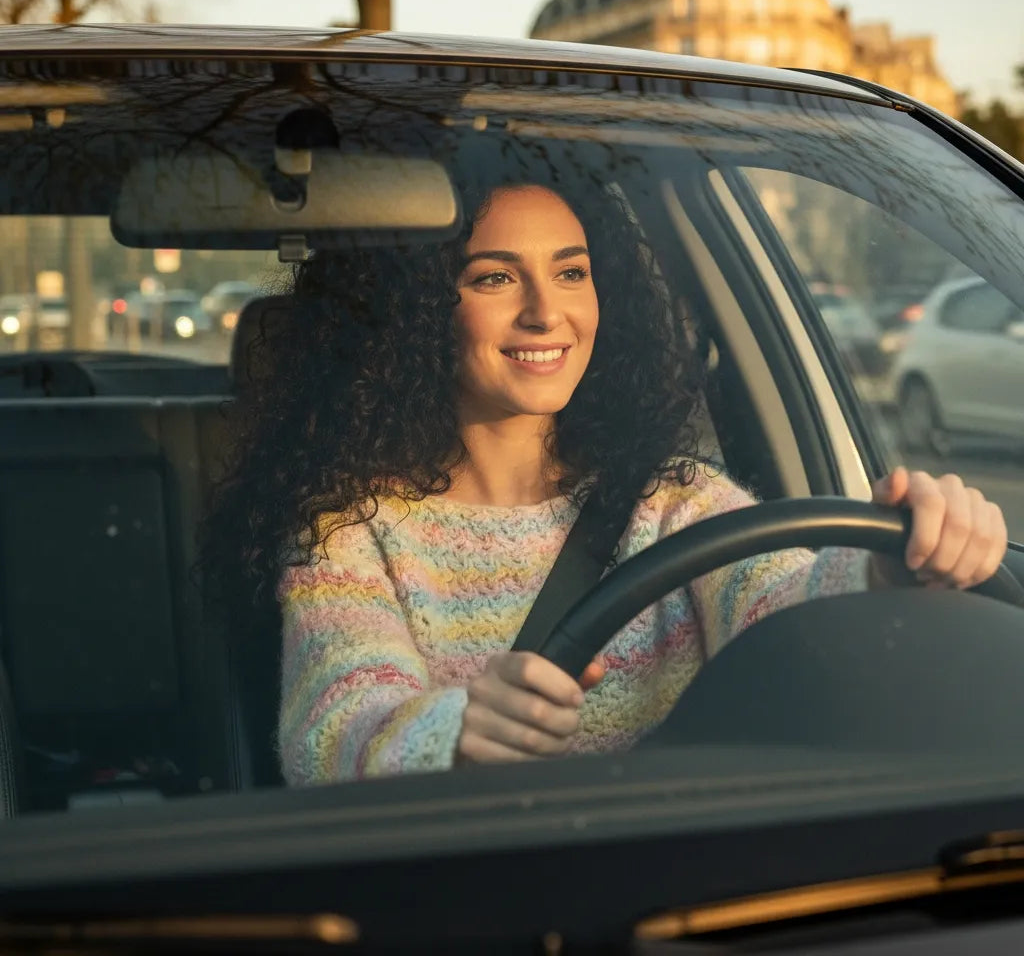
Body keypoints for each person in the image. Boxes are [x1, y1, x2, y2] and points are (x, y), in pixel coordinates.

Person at [203, 174, 1008, 785]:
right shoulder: (347, 531)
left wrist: (889, 567)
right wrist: (455, 733)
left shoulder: (674, 500)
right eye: (494, 277)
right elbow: (335, 728)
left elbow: (786, 606)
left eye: (572, 272)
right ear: (417, 312)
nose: (546, 313)